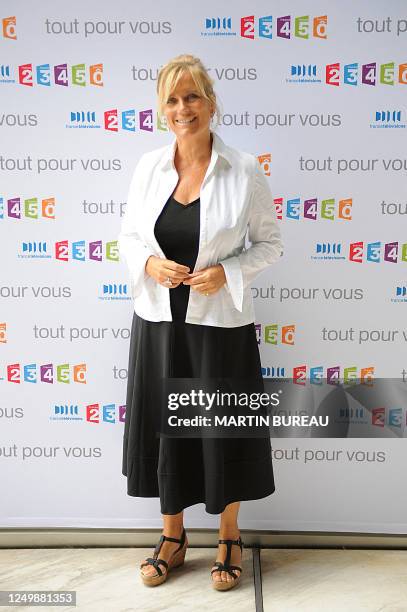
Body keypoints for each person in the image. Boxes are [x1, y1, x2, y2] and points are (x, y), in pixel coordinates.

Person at [118, 54, 283, 591]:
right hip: (161, 324)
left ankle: (229, 535)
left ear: (211, 103)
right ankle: (173, 536)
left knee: (220, 430)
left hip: (220, 326)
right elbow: (128, 239)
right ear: (161, 109)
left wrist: (227, 271)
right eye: (172, 99)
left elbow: (270, 244)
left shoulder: (245, 169)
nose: (182, 108)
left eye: (192, 96)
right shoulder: (148, 167)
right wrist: (147, 263)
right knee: (170, 433)